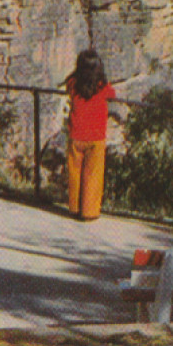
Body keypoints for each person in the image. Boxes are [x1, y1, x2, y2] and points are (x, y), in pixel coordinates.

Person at [65, 48, 116, 221]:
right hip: (95, 136)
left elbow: (69, 86)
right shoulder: (102, 87)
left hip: (76, 134)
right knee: (92, 175)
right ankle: (89, 212)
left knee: (75, 173)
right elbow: (113, 94)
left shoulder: (72, 84)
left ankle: (74, 208)